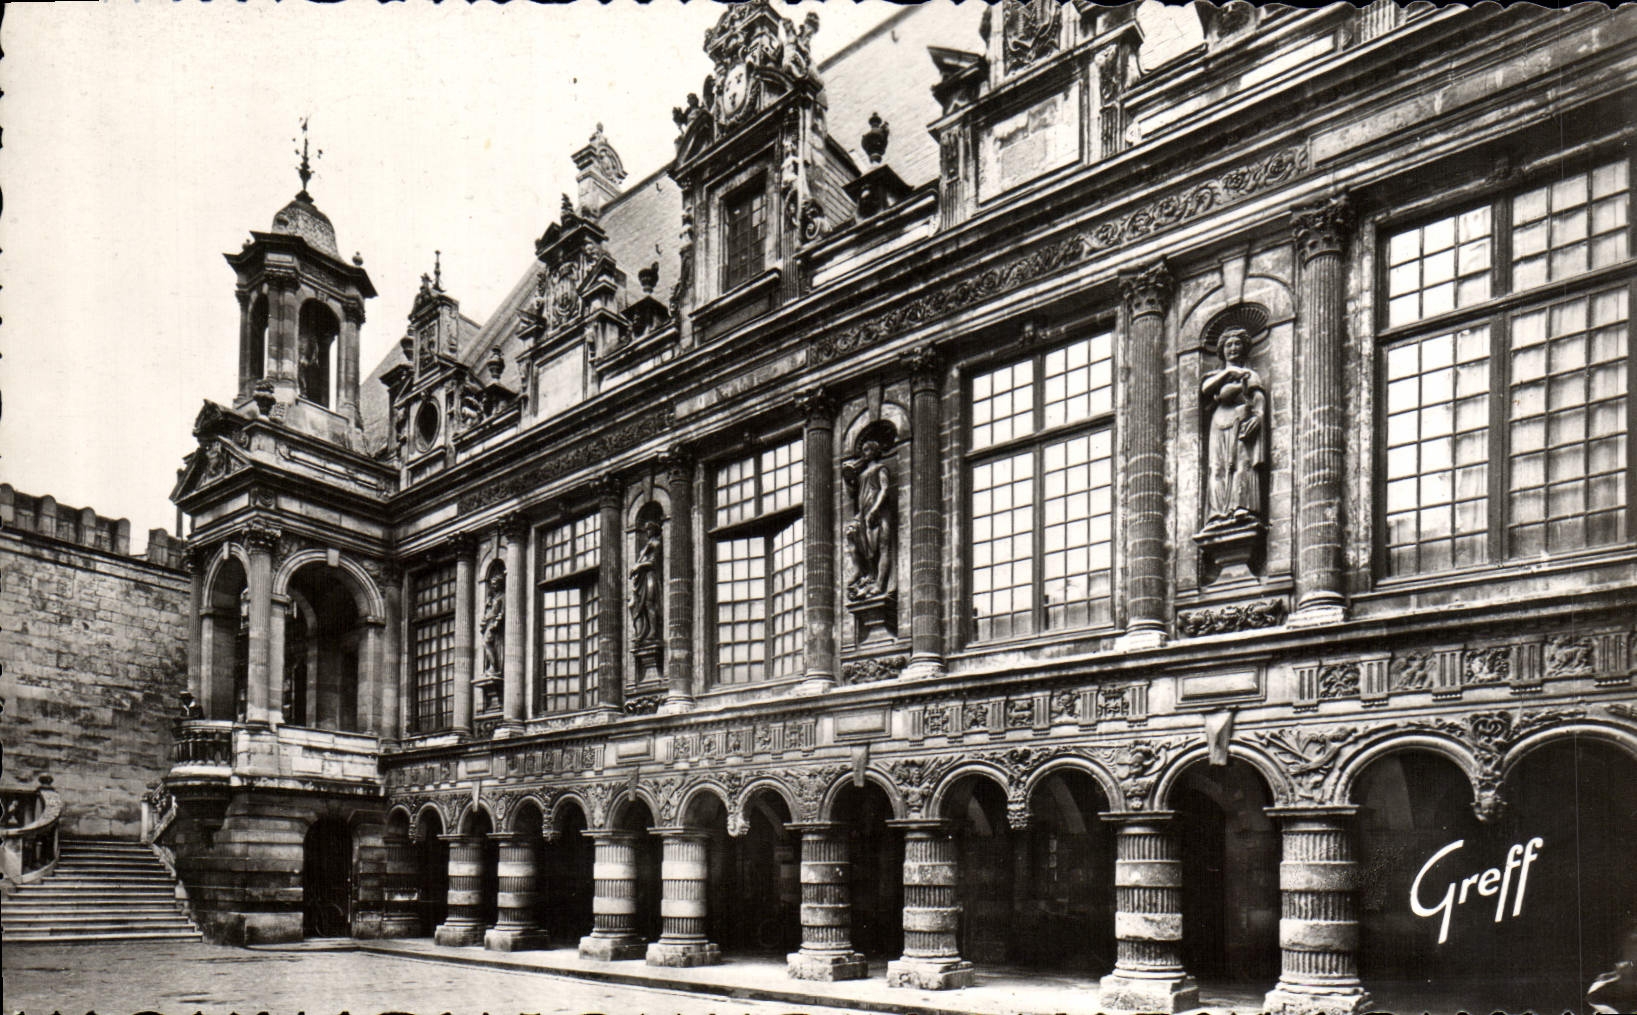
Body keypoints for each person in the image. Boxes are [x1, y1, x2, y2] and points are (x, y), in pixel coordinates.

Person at [1200, 327, 1267, 530]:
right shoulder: (1215, 375)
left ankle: (1241, 507)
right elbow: (1205, 389)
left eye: (1237, 344)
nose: (1233, 348)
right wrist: (1229, 372)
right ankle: (1217, 513)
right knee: (1218, 465)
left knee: (1242, 462)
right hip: (1219, 421)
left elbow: (1258, 397)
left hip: (1241, 418)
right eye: (1229, 345)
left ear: (1244, 348)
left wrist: (1259, 416)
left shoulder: (1250, 374)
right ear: (1222, 350)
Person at [843, 436, 895, 598]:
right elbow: (853, 494)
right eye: (863, 450)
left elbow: (884, 489)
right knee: (863, 545)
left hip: (878, 512)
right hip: (864, 512)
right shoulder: (862, 473)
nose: (865, 453)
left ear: (875, 451)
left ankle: (880, 584)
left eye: (868, 450)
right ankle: (867, 575)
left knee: (882, 546)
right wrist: (848, 479)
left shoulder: (881, 468)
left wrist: (875, 508)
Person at [629, 520, 663, 645]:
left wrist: (639, 566)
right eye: (646, 529)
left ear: (654, 530)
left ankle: (653, 631)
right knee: (636, 604)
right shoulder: (648, 544)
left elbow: (653, 562)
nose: (647, 531)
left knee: (649, 603)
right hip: (641, 578)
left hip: (650, 576)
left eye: (650, 529)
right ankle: (641, 631)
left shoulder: (656, 543)